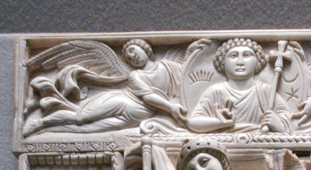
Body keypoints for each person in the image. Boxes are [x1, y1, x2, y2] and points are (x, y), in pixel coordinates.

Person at [23, 39, 189, 135]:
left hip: (136, 117)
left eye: (133, 50)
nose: (132, 57)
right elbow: (148, 97)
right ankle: (41, 123)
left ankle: (51, 128)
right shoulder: (135, 76)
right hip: (123, 103)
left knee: (88, 130)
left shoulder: (168, 66)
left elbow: (188, 75)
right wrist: (171, 107)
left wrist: (195, 51)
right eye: (129, 58)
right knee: (80, 118)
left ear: (145, 48)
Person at [188, 38, 292, 133]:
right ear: (222, 62)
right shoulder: (216, 91)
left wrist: (277, 124)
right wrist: (221, 123)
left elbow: (287, 126)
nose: (240, 62)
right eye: (233, 56)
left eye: (247, 55)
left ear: (258, 61)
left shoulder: (266, 91)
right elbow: (193, 123)